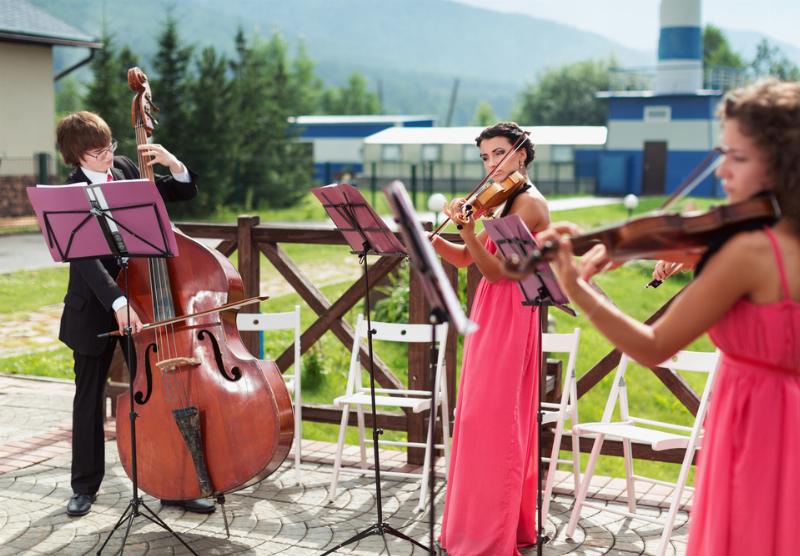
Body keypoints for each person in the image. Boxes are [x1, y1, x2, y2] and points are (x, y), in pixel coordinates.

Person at [537, 78, 800, 555]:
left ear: (783, 164)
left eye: (738, 157)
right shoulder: (779, 247)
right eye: (723, 152)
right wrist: (662, 250)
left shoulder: (746, 252)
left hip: (754, 427)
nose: (722, 170)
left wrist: (577, 285)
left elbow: (653, 346)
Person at [56, 111, 214, 517]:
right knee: (88, 398)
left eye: (110, 145)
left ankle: (172, 485)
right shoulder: (69, 193)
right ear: (76, 156)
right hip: (95, 305)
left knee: (160, 391)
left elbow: (177, 193)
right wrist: (117, 302)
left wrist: (174, 164)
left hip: (144, 296)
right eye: (97, 151)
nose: (108, 155)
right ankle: (84, 487)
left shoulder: (126, 167)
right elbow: (85, 259)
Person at [430, 122, 550, 555]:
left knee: (496, 423)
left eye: (498, 154)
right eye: (484, 157)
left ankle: (491, 533)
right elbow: (466, 259)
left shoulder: (529, 205)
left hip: (513, 314)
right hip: (490, 313)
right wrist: (429, 243)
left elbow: (498, 271)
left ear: (521, 155)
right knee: (479, 419)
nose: (491, 164)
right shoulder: (500, 204)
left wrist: (466, 229)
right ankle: (484, 524)